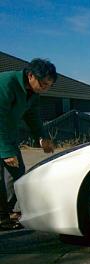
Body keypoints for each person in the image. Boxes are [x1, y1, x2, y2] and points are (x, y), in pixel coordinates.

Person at [0, 58, 56, 230]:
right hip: (3, 137)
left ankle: (5, 214)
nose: (45, 88)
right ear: (31, 75)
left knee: (16, 174)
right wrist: (5, 150)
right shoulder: (6, 83)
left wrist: (42, 137)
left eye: (49, 85)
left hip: (7, 137)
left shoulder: (32, 93)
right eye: (43, 83)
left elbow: (32, 116)